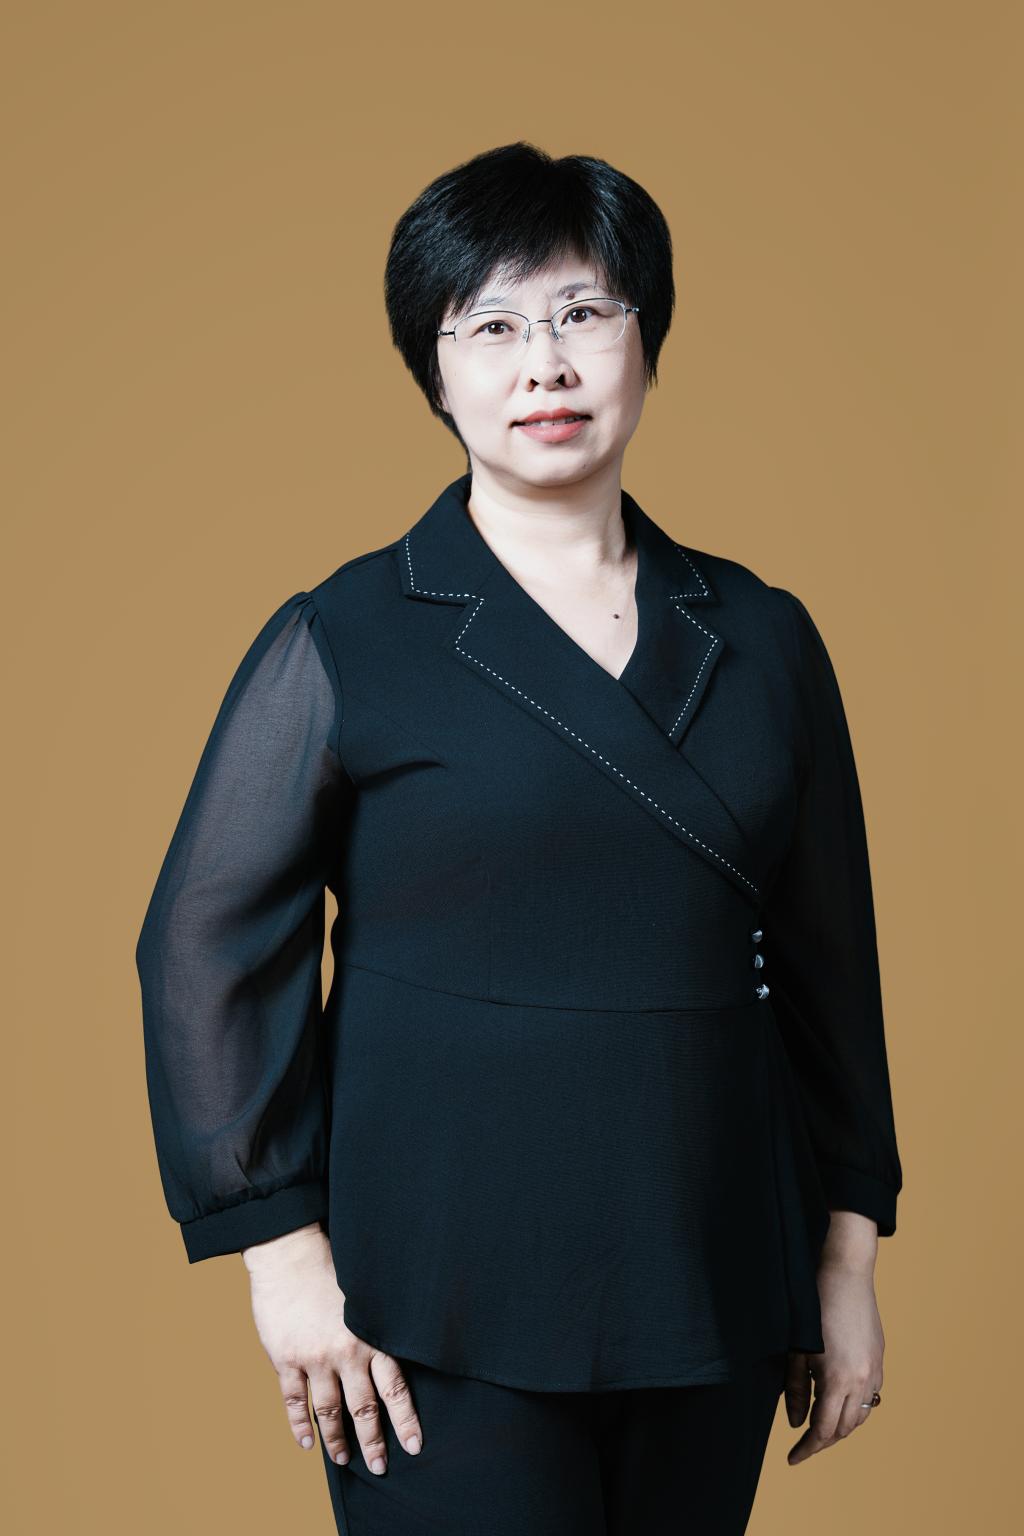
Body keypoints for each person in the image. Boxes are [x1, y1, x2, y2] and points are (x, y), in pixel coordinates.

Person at [135, 141, 903, 1535]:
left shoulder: (766, 635)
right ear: (435, 374)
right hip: (428, 1295)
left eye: (581, 314)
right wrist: (281, 1255)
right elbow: (203, 945)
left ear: (644, 343)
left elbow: (830, 966)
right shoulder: (348, 633)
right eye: (491, 327)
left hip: (714, 1270)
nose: (544, 363)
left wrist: (844, 1262)